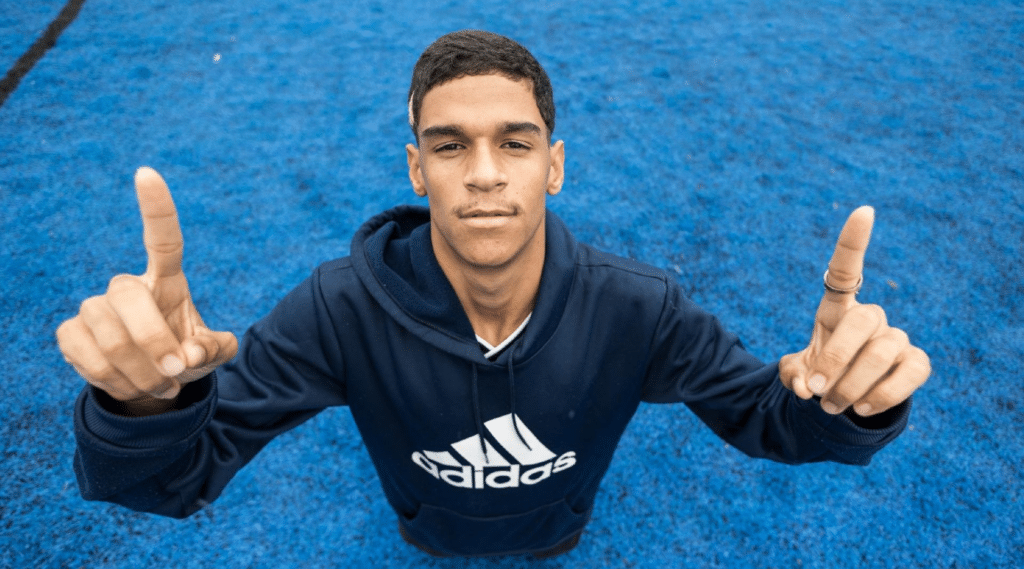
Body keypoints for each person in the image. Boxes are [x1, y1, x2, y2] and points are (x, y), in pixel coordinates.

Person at [56, 30, 930, 559]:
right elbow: (171, 482)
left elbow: (772, 422)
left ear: (554, 166)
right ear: (417, 169)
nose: (482, 174)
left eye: (515, 143)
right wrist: (143, 408)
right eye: (449, 145)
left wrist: (847, 403)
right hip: (423, 531)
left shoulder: (641, 309)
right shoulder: (338, 309)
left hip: (561, 531)